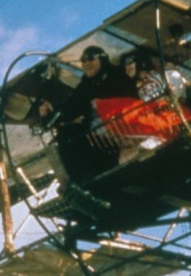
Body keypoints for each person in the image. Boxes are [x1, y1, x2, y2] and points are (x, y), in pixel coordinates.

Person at [39, 45, 138, 182]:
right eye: (83, 60)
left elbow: (133, 90)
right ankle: (81, 182)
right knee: (67, 133)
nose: (86, 63)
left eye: (90, 58)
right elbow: (71, 108)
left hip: (124, 124)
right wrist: (51, 113)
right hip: (100, 132)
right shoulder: (86, 86)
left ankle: (100, 173)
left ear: (102, 59)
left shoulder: (118, 74)